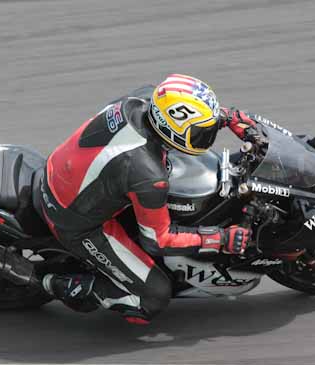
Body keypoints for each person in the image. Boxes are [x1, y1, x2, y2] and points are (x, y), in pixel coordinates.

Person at [37, 74, 254, 324]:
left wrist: (226, 117)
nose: (205, 137)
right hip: (73, 219)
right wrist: (220, 239)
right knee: (153, 297)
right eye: (200, 132)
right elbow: (158, 240)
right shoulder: (147, 175)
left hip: (64, 170)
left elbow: (183, 109)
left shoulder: (144, 99)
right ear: (172, 130)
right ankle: (58, 284)